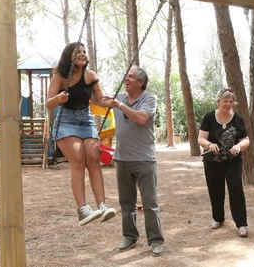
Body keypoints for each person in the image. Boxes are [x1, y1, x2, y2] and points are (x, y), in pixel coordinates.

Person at [46, 42, 116, 226]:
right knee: (78, 160)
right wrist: (58, 98)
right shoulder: (61, 76)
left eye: (85, 52)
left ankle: (102, 205)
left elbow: (99, 100)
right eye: (79, 52)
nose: (83, 54)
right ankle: (83, 209)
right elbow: (48, 103)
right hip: (66, 121)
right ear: (69, 55)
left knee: (93, 159)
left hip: (86, 120)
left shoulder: (91, 75)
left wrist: (110, 103)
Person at [105, 66, 165, 256]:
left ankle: (155, 240)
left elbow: (141, 118)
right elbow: (97, 98)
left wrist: (120, 106)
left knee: (150, 203)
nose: (126, 78)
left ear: (141, 82)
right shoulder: (119, 97)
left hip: (144, 160)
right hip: (122, 159)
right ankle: (130, 237)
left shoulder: (149, 99)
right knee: (126, 202)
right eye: (126, 75)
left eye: (131, 76)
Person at [197, 88, 250, 237]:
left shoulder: (238, 119)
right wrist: (209, 145)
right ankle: (218, 218)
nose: (228, 104)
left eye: (231, 101)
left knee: (236, 189)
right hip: (212, 160)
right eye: (225, 101)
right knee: (215, 189)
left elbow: (246, 140)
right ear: (218, 101)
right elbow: (201, 138)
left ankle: (242, 224)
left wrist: (239, 146)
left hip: (232, 160)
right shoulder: (209, 118)